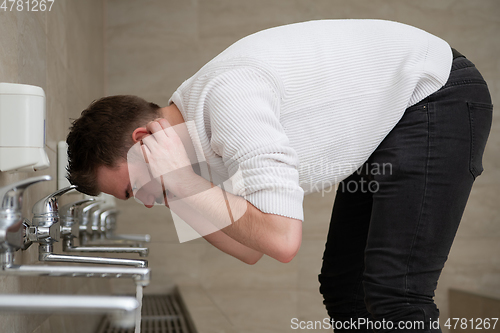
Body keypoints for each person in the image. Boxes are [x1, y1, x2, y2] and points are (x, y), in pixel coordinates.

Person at [66, 19, 493, 332]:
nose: (144, 200)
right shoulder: (199, 142)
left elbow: (281, 239)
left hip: (435, 93)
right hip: (396, 121)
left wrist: (179, 183)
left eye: (132, 187)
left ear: (145, 141)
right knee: (343, 285)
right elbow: (250, 247)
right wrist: (178, 189)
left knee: (394, 296)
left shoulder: (226, 102)